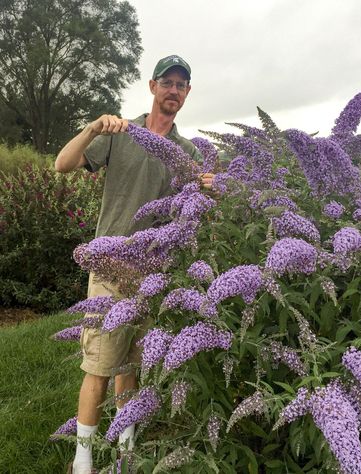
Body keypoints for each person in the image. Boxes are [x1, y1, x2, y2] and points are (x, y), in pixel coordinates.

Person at [55, 54, 213, 474]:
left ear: (187, 93)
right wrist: (91, 128)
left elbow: (194, 210)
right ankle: (83, 459)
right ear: (152, 86)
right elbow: (62, 165)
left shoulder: (185, 152)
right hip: (109, 264)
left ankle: (126, 446)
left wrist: (208, 189)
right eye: (167, 82)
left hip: (155, 271)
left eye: (181, 85)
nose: (173, 91)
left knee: (132, 363)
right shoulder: (120, 132)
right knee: (100, 364)